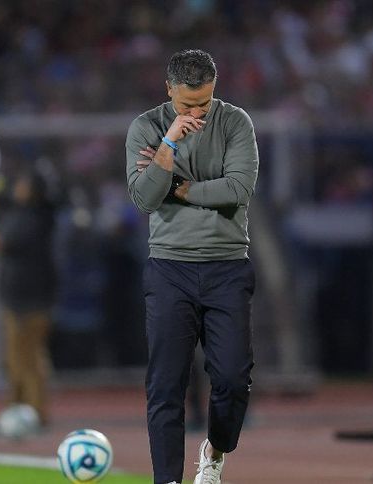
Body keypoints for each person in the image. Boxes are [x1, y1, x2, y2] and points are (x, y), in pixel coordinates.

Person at [125, 49, 258, 484]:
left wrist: (178, 188)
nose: (198, 113)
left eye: (205, 102)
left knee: (233, 379)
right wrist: (168, 144)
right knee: (165, 386)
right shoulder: (146, 127)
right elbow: (144, 198)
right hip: (170, 268)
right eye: (188, 105)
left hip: (227, 266)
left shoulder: (235, 122)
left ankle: (214, 451)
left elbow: (237, 190)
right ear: (169, 90)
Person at [0, 169, 57, 426]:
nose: (17, 187)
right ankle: (20, 410)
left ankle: (33, 412)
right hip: (25, 296)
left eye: (22, 183)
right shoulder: (37, 216)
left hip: (27, 299)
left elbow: (1, 242)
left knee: (26, 358)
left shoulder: (30, 218)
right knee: (20, 357)